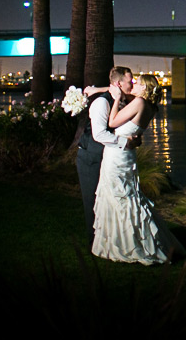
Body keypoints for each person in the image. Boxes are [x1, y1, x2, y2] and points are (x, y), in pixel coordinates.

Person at [91, 73, 184, 264]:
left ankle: (130, 243)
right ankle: (127, 239)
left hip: (118, 155)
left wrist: (116, 100)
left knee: (120, 196)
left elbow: (112, 123)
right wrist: (100, 90)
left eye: (138, 83)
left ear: (144, 88)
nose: (133, 84)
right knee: (126, 195)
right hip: (124, 154)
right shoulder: (148, 105)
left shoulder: (139, 102)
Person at [76, 66, 133, 249]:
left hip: (108, 158)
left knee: (107, 199)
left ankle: (110, 239)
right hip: (90, 156)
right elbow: (99, 135)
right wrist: (125, 143)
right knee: (92, 200)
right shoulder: (102, 103)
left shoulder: (121, 99)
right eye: (129, 81)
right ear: (118, 83)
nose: (132, 84)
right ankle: (94, 242)